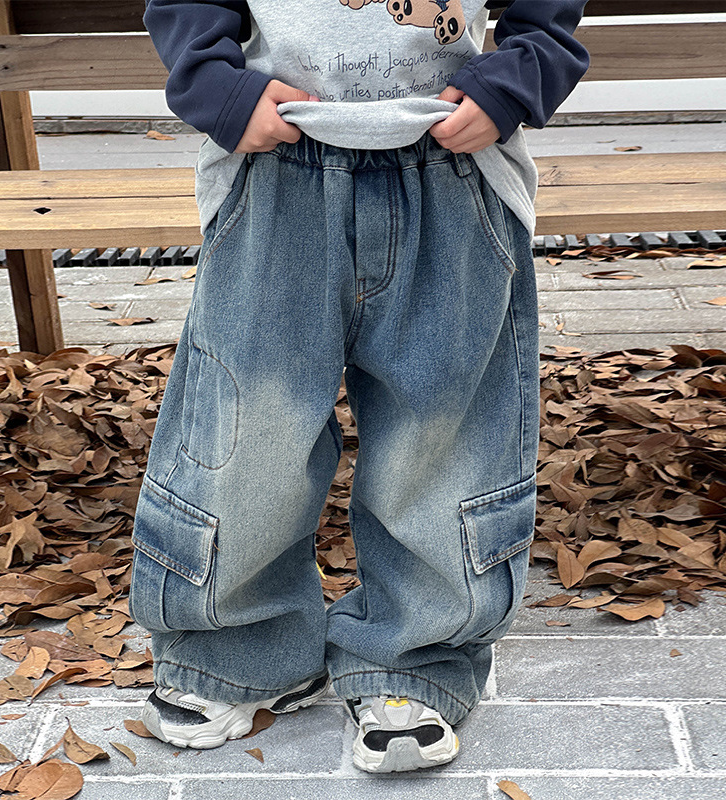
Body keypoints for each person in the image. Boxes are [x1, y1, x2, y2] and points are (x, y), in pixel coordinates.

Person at [130, 0, 590, 774]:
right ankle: (235, 649)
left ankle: (415, 657)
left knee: (439, 436)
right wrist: (216, 84)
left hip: (454, 162)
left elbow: (545, 14)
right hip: (275, 164)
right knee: (251, 430)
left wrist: (518, 76)